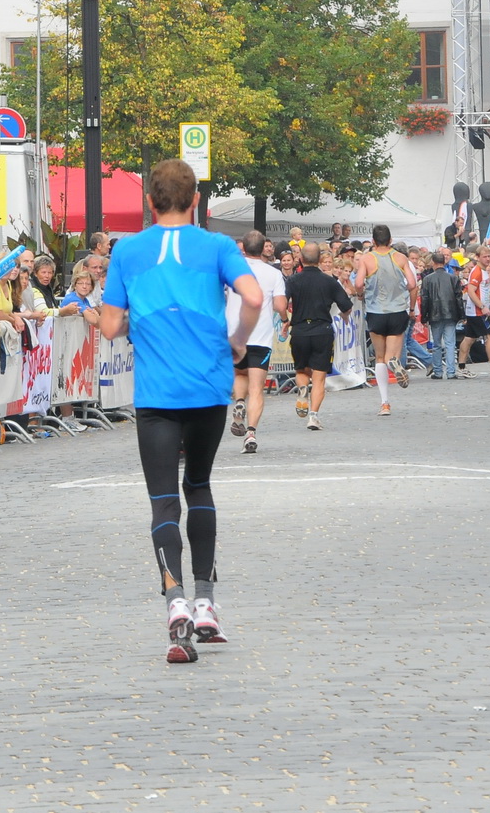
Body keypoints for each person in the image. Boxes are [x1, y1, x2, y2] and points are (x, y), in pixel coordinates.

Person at [99, 158, 263, 665]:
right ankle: (208, 602)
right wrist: (235, 340)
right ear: (196, 201)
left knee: (164, 499)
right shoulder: (215, 246)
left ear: (150, 201)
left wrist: (144, 324)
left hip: (158, 394)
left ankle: (176, 604)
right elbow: (254, 297)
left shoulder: (127, 250)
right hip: (209, 386)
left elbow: (108, 327)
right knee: (200, 485)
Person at [227, 230, 288, 454]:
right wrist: (284, 320)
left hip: (235, 335)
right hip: (260, 337)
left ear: (243, 246)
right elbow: (281, 306)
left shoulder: (233, 270)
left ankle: (239, 402)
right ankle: (251, 433)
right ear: (264, 248)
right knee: (257, 388)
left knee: (239, 375)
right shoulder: (273, 274)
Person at [351, 224, 420, 416]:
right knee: (392, 355)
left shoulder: (367, 258)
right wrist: (410, 305)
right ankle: (395, 362)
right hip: (397, 310)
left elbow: (358, 283)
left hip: (375, 311)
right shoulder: (400, 257)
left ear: (373, 241)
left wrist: (361, 293)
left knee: (379, 357)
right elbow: (412, 283)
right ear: (390, 240)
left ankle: (384, 403)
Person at [285, 242, 352, 431]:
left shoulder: (293, 280)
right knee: (320, 377)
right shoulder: (329, 281)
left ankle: (302, 390)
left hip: (299, 330)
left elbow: (283, 301)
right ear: (319, 260)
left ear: (300, 259)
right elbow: (346, 305)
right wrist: (346, 317)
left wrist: (284, 320)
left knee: (301, 371)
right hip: (322, 329)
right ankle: (313, 416)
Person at [457, 246, 490, 378]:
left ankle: (461, 367)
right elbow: (471, 291)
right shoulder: (476, 272)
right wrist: (482, 307)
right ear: (478, 257)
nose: (487, 259)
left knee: (469, 338)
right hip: (477, 312)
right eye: (484, 257)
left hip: (478, 311)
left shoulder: (485, 271)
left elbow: (484, 290)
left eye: (489, 257)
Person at [420, 249, 461, 379]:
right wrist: (462, 315)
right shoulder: (453, 278)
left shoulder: (427, 279)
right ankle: (451, 371)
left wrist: (424, 316)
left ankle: (438, 371)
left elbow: (425, 299)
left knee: (437, 344)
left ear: (433, 262)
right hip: (450, 313)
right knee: (450, 343)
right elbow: (458, 298)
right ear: (444, 262)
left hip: (434, 314)